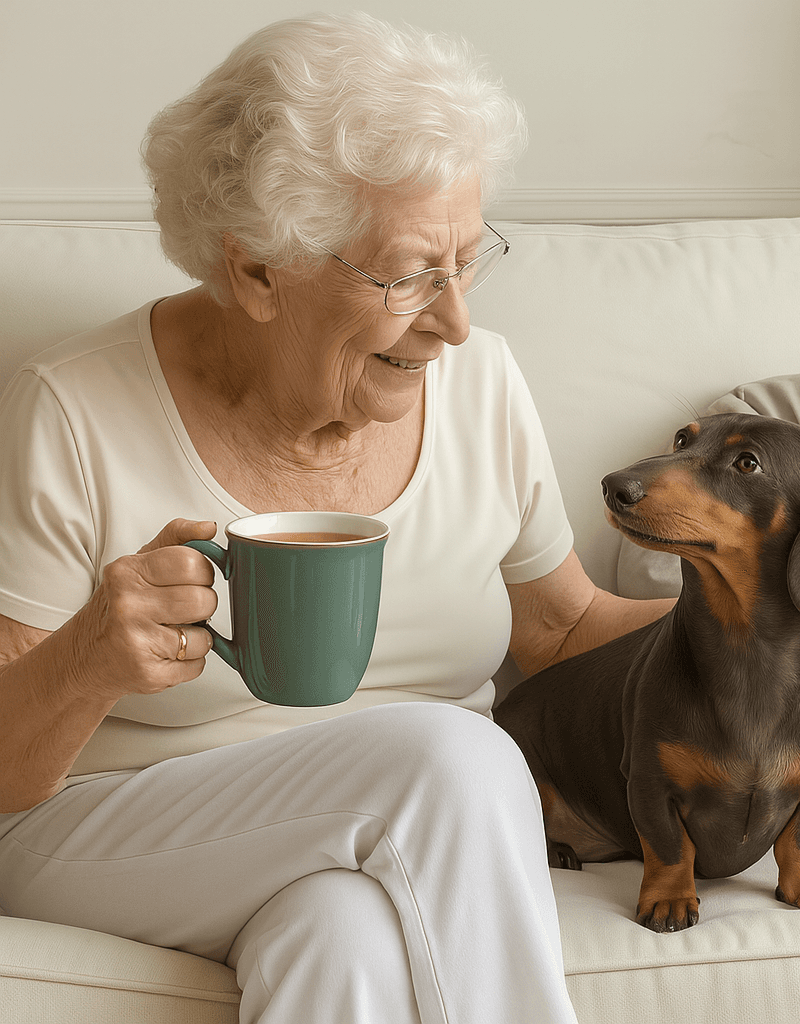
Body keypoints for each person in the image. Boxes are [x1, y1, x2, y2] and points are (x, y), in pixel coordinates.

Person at [0, 14, 672, 1024]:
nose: (455, 322)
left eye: (466, 259)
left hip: (401, 840)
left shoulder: (482, 384)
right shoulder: (71, 408)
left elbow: (563, 627)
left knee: (341, 939)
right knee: (455, 756)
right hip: (111, 833)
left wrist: (773, 614)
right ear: (256, 271)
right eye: (407, 274)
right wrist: (93, 653)